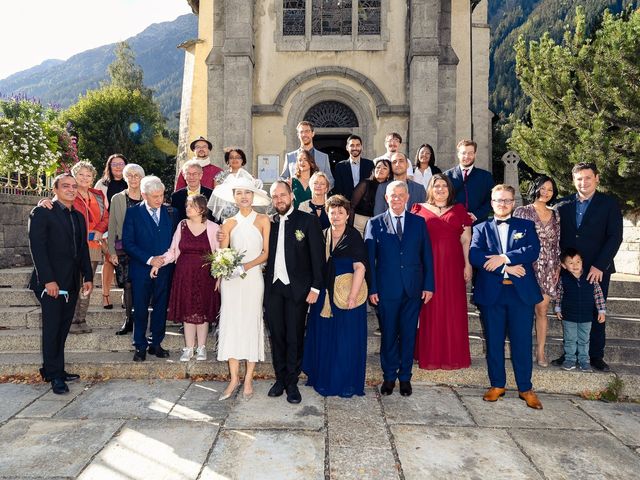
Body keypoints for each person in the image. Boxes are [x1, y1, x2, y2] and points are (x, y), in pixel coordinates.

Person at [470, 184, 543, 410]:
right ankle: (497, 385)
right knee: (494, 341)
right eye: (498, 200)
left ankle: (525, 388)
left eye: (507, 200)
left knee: (522, 342)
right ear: (492, 203)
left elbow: (532, 250)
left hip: (520, 294)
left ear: (513, 203)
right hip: (493, 293)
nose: (502, 204)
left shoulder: (526, 225)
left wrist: (503, 258)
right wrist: (506, 268)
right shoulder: (480, 228)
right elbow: (475, 255)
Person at [551, 162, 623, 372]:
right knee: (570, 310)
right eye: (579, 178)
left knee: (596, 311)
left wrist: (600, 265)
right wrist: (559, 264)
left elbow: (614, 237)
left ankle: (596, 356)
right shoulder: (562, 205)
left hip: (596, 270)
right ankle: (569, 354)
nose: (584, 182)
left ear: (597, 178)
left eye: (588, 178)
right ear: (574, 180)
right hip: (570, 270)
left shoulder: (609, 204)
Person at [365, 181, 434, 397]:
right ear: (386, 198)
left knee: (407, 335)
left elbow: (427, 257)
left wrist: (428, 285)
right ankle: (389, 377)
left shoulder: (419, 223)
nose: (396, 199)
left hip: (413, 289)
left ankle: (405, 377)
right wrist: (373, 289)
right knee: (388, 335)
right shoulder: (374, 224)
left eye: (400, 195)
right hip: (386, 290)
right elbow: (370, 261)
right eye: (392, 195)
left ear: (407, 198)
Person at [28, 173, 93, 394]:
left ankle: (55, 369)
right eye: (65, 186)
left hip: (72, 282)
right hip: (50, 284)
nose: (71, 189)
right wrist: (48, 280)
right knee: (52, 329)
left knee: (63, 329)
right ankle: (54, 375)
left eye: (74, 186)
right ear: (54, 189)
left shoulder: (78, 216)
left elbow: (82, 248)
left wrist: (88, 276)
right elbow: (38, 249)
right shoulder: (42, 212)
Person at [264, 180, 324, 404]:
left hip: (297, 290)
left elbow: (318, 257)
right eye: (275, 196)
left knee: (294, 336)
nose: (279, 199)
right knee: (277, 335)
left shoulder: (307, 221)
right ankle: (279, 378)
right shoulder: (268, 223)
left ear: (291, 196)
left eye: (282, 195)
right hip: (273, 289)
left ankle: (292, 382)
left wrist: (316, 287)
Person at [214, 172, 271, 401]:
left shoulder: (263, 220)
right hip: (232, 281)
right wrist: (222, 264)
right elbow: (222, 253)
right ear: (234, 197)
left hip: (253, 277)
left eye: (248, 192)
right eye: (239, 193)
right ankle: (234, 378)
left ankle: (248, 378)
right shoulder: (227, 223)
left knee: (250, 322)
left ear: (254, 195)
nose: (244, 196)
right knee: (232, 323)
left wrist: (245, 266)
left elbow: (266, 253)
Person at [303, 195, 368, 397]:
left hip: (347, 295)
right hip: (324, 296)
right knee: (324, 338)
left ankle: (344, 382)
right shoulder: (322, 235)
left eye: (341, 212)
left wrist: (352, 296)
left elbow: (360, 267)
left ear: (348, 215)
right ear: (328, 214)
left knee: (344, 341)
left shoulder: (354, 237)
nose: (336, 215)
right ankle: (322, 378)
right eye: (333, 212)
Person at [411, 174, 472, 370]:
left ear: (450, 189)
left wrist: (468, 264)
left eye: (444, 186)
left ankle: (452, 356)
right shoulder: (417, 209)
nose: (440, 189)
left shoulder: (459, 209)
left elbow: (466, 240)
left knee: (453, 309)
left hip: (453, 266)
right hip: (426, 267)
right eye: (436, 186)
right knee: (428, 309)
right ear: (430, 188)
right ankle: (428, 354)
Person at [40, 161, 108, 334]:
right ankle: (69, 319)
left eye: (88, 175)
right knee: (72, 283)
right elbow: (54, 205)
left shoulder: (98, 194)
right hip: (72, 245)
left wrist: (99, 230)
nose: (85, 178)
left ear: (93, 178)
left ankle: (81, 319)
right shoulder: (69, 193)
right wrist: (43, 201)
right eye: (81, 175)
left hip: (92, 245)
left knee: (87, 283)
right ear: (74, 176)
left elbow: (106, 216)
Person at [152, 195, 220, 362]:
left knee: (202, 312)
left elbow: (219, 254)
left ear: (202, 209)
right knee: (188, 311)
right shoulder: (182, 225)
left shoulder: (214, 227)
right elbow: (173, 250)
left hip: (206, 275)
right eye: (187, 204)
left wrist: (219, 277)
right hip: (184, 275)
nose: (187, 208)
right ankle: (189, 348)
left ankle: (202, 348)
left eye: (192, 205)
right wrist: (159, 262)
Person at [122, 176, 175, 362]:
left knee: (161, 307)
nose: (159, 199)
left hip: (165, 268)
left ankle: (156, 343)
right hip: (141, 269)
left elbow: (176, 240)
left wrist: (164, 260)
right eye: (154, 196)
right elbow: (128, 243)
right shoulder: (133, 213)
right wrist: (150, 259)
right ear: (144, 195)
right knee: (140, 308)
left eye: (161, 195)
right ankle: (140, 345)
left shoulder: (171, 212)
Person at [513, 175, 561, 367]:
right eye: (542, 188)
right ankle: (520, 349)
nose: (546, 192)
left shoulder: (556, 214)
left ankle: (540, 351)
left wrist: (557, 265)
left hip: (549, 266)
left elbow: (558, 242)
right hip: (527, 265)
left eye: (550, 189)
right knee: (523, 310)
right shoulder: (522, 211)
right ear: (535, 188)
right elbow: (514, 239)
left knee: (542, 309)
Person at [107, 163, 145, 336]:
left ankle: (141, 319)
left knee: (143, 285)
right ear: (124, 177)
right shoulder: (118, 198)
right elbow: (112, 225)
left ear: (142, 178)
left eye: (136, 175)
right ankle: (129, 319)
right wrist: (111, 251)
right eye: (129, 175)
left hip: (145, 247)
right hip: (124, 248)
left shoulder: (148, 197)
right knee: (127, 285)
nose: (133, 179)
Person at [555, 248, 607, 373]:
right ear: (564, 265)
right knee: (570, 339)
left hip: (586, 316)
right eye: (571, 263)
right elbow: (559, 295)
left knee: (584, 339)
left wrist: (601, 311)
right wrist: (558, 308)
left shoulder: (590, 278)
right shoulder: (564, 280)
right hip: (569, 316)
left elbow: (598, 295)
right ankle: (570, 359)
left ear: (582, 262)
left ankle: (584, 361)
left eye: (578, 262)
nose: (575, 265)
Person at [95, 153, 128, 310]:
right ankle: (106, 295)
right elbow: (96, 207)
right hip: (108, 227)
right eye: (114, 164)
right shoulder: (102, 184)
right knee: (109, 260)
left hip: (127, 228)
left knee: (127, 261)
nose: (118, 167)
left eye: (121, 164)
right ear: (109, 166)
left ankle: (126, 294)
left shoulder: (131, 182)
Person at [444, 139, 494, 224]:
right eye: (463, 153)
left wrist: (476, 215)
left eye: (470, 153)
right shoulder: (446, 176)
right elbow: (442, 200)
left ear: (475, 154)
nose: (467, 156)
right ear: (458, 155)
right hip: (453, 224)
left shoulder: (486, 176)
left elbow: (491, 200)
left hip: (479, 224)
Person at [281, 121, 335, 188]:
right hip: (296, 197)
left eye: (307, 131)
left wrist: (322, 191)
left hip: (317, 197)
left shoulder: (324, 157)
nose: (304, 134)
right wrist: (287, 184)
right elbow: (283, 178)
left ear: (313, 134)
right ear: (298, 135)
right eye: (301, 132)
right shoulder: (290, 157)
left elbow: (330, 180)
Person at [349, 158, 392, 236]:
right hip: (359, 225)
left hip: (380, 224)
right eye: (378, 167)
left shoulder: (390, 187)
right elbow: (352, 206)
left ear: (389, 174)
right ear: (373, 170)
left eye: (384, 168)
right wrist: (349, 228)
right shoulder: (365, 184)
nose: (380, 170)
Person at [333, 134, 374, 200]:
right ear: (347, 147)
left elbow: (372, 186)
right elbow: (338, 189)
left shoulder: (370, 164)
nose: (355, 148)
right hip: (346, 204)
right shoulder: (340, 166)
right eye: (352, 145)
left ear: (361, 147)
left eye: (358, 145)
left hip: (366, 206)